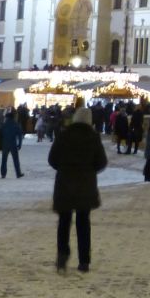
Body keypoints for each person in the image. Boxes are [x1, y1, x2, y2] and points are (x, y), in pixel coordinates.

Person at [48, 105, 107, 273]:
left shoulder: (63, 135)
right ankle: (84, 261)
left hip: (64, 185)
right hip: (85, 186)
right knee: (83, 223)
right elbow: (101, 162)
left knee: (64, 222)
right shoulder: (93, 137)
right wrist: (89, 171)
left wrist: (63, 168)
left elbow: (52, 159)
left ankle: (62, 256)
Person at [0, 112, 24, 178]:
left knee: (4, 159)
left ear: (7, 117)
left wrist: (0, 144)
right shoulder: (16, 124)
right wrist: (20, 144)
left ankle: (3, 174)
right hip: (13, 144)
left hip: (5, 144)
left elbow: (0, 134)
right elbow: (20, 135)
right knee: (15, 159)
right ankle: (18, 173)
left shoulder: (4, 125)